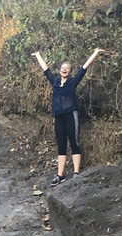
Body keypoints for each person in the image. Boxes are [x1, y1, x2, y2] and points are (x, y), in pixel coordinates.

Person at [32, 48, 104, 186]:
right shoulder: (55, 82)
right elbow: (45, 69)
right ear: (60, 70)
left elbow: (84, 68)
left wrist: (95, 53)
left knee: (74, 143)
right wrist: (38, 55)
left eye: (67, 68)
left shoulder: (73, 82)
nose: (65, 69)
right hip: (58, 117)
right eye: (63, 68)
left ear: (70, 71)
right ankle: (60, 175)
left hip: (71, 114)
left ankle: (76, 173)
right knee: (61, 145)